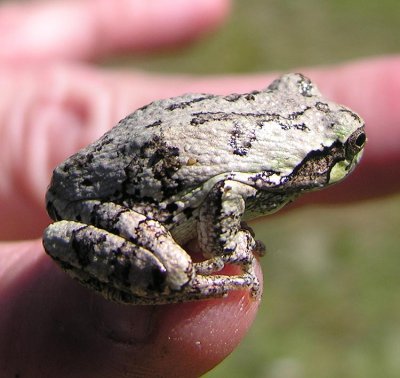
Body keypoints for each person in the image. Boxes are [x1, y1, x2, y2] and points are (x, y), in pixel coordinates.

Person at [0, 0, 399, 376]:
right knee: (173, 269)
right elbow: (226, 191)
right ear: (316, 163)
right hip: (127, 204)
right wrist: (228, 248)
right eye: (347, 149)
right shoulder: (266, 176)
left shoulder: (276, 166)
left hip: (119, 165)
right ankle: (175, 284)